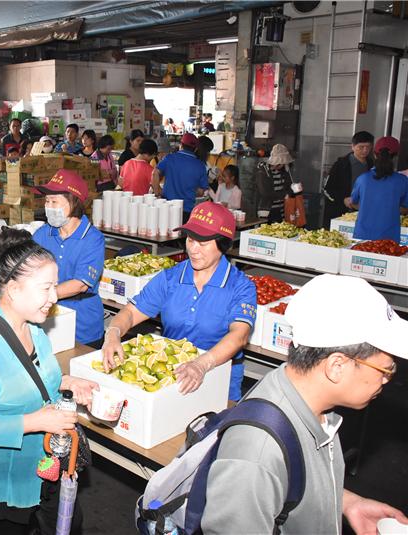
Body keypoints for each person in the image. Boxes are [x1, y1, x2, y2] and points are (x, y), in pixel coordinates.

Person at [201, 274, 408, 534]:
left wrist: (345, 502)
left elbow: (290, 477)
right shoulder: (255, 453)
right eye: (386, 370)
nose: (387, 380)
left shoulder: (310, 403)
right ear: (337, 366)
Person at [0, 227, 99, 535]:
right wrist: (35, 421)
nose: (55, 297)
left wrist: (67, 383)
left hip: (43, 469)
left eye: (55, 287)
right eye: (46, 288)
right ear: (14, 290)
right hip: (5, 485)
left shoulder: (33, 329)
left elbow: (31, 379)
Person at [102, 202, 255, 401]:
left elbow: (239, 335)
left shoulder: (240, 286)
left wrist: (201, 364)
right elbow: (130, 313)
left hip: (219, 375)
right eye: (190, 240)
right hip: (172, 372)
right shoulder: (170, 278)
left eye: (203, 243)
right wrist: (113, 333)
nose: (194, 249)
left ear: (223, 244)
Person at [32, 170, 106, 346]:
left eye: (54, 201)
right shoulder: (43, 234)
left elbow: (80, 284)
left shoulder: (92, 238)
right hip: (45, 320)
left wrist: (41, 296)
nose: (48, 206)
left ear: (73, 202)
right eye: (47, 201)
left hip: (82, 324)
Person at [346, 136, 408, 242]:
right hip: (390, 238)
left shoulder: (363, 179)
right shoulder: (402, 181)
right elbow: (405, 208)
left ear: (374, 154)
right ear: (396, 156)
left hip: (362, 236)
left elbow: (353, 202)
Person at [152, 132, 209, 221]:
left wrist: (157, 193)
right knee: (182, 234)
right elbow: (201, 191)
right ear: (195, 149)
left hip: (167, 207)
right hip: (186, 210)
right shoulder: (200, 165)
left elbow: (154, 173)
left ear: (181, 145)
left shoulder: (169, 158)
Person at [323, 131, 375, 228]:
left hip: (363, 211)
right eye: (361, 147)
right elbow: (327, 189)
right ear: (353, 146)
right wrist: (343, 199)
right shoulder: (340, 165)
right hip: (341, 212)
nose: (365, 150)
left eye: (368, 147)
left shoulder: (372, 165)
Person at [255, 144, 296, 223]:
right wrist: (284, 194)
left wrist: (294, 189)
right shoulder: (263, 171)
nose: (284, 165)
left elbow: (288, 186)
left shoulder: (284, 171)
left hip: (280, 209)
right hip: (266, 209)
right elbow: (265, 193)